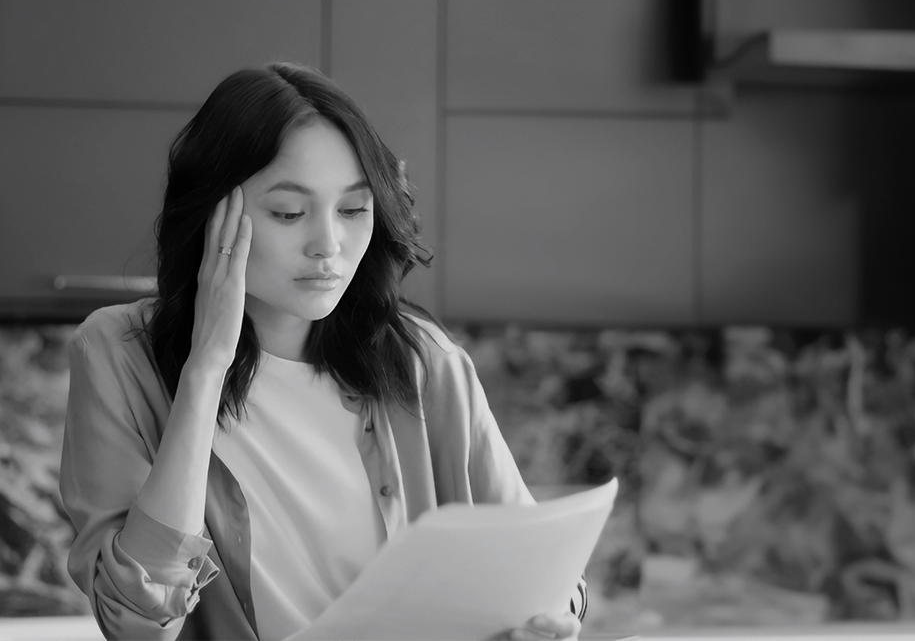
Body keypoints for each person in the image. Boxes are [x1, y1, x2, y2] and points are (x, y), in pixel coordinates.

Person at [60, 63, 587, 641]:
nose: (328, 246)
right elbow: (137, 623)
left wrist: (550, 614)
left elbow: (540, 565)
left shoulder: (423, 361)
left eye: (353, 210)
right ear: (212, 214)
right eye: (289, 213)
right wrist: (205, 370)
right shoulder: (118, 351)